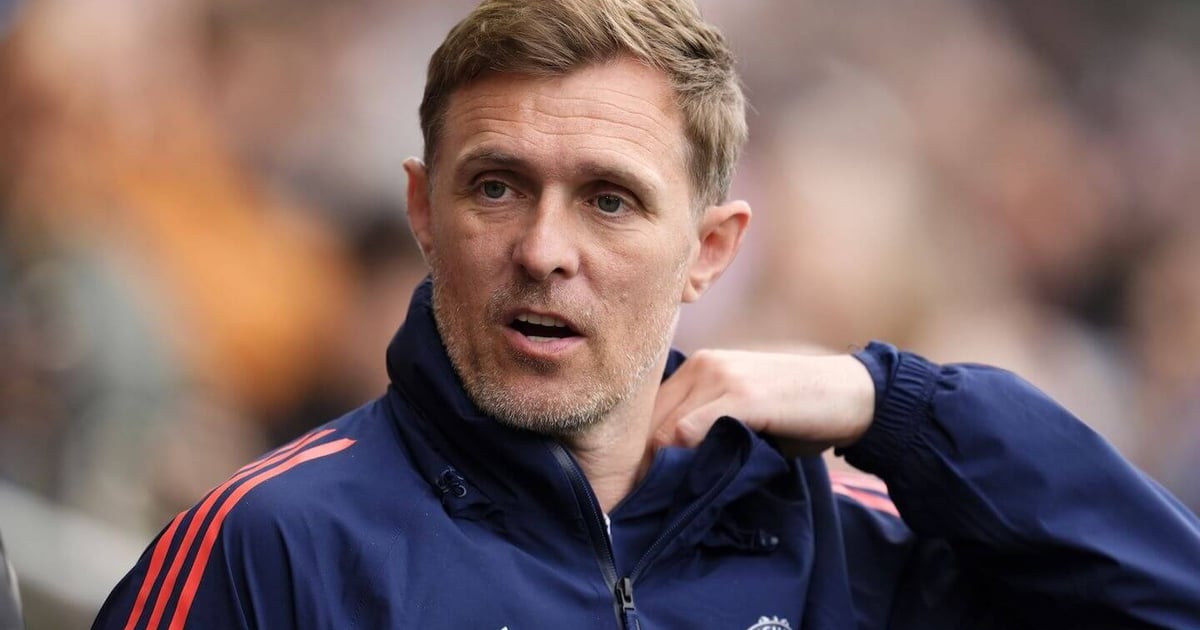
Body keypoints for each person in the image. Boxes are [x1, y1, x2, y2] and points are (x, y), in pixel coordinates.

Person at [94, 0, 1200, 628]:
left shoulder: (852, 537)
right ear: (423, 211)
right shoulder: (271, 545)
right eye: (496, 187)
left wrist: (893, 401)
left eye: (610, 200)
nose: (544, 249)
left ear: (710, 252)